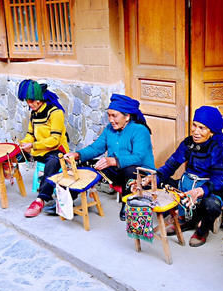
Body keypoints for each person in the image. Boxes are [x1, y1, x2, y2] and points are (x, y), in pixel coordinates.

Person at [143, 106, 223, 247]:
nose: (195, 131)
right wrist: (153, 178)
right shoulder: (188, 143)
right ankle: (184, 219)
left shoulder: (216, 148)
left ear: (211, 132)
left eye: (202, 128)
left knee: (212, 205)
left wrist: (200, 191)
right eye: (194, 126)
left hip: (205, 191)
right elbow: (170, 166)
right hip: (186, 186)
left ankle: (202, 230)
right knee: (159, 185)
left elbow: (219, 178)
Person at [65, 93, 155, 221]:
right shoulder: (109, 129)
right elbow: (96, 148)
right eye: (109, 115)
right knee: (84, 165)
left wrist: (113, 161)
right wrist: (78, 155)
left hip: (140, 174)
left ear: (127, 116)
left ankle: (129, 205)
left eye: (114, 116)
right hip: (117, 170)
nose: (111, 120)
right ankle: (68, 199)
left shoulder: (140, 130)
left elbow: (139, 157)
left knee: (130, 170)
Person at [17, 79, 70, 218]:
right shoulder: (34, 113)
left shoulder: (55, 113)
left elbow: (54, 140)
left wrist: (33, 146)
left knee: (52, 162)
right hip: (39, 149)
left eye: (31, 101)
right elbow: (30, 134)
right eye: (27, 101)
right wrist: (24, 144)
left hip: (56, 150)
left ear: (39, 100)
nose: (29, 104)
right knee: (13, 153)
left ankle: (41, 199)